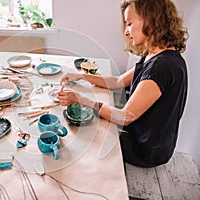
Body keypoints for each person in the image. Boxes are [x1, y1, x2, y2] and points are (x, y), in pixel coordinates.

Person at [57, 0, 188, 168]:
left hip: (146, 150)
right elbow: (118, 81)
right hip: (147, 139)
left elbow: (124, 117)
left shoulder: (161, 68)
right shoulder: (157, 55)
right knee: (92, 124)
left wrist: (82, 100)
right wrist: (82, 77)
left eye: (129, 24)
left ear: (150, 19)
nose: (126, 32)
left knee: (84, 136)